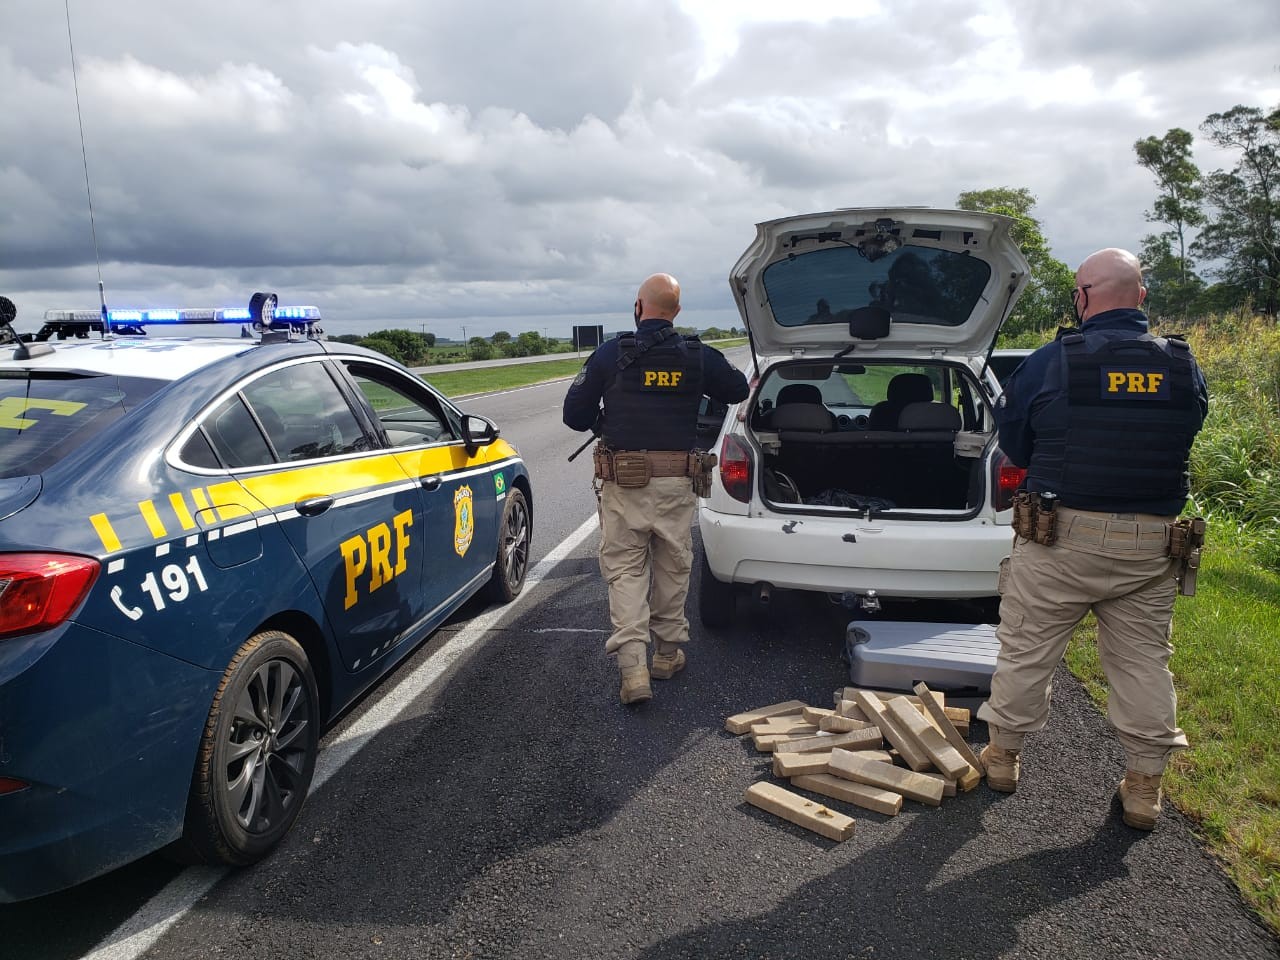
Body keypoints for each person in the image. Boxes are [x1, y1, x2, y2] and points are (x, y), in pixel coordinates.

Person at [976, 247, 1209, 831]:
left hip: (1061, 540)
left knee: (1028, 651)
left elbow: (1016, 441)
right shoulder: (1182, 364)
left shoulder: (1057, 359)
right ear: (1141, 296)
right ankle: (1144, 789)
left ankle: (1002, 759)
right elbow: (1190, 427)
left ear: (1082, 297)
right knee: (1144, 665)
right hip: (1152, 548)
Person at [563, 273, 749, 705]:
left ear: (638, 307)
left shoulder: (612, 353)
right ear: (677, 312)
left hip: (624, 482)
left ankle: (634, 670)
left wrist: (603, 421)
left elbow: (575, 414)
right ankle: (667, 655)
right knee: (673, 563)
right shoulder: (696, 355)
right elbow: (738, 388)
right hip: (677, 480)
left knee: (626, 570)